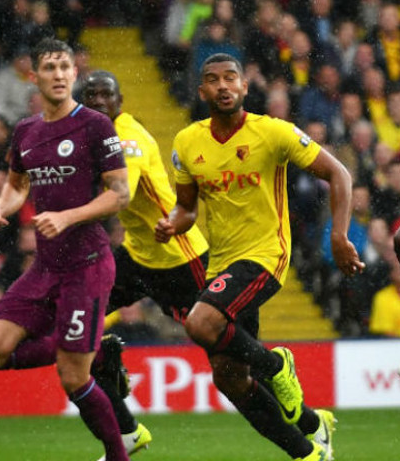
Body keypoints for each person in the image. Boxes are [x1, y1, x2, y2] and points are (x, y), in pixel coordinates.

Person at [154, 53, 364, 461]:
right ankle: (308, 442)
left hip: (267, 254)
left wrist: (337, 234)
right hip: (222, 264)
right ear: (202, 91)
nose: (223, 86)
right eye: (213, 80)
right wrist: (173, 223)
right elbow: (188, 208)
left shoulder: (273, 132)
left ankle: (276, 366)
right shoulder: (186, 142)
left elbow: (339, 173)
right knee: (230, 378)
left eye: (231, 78)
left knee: (200, 323)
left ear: (245, 86)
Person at [0, 38, 132, 461]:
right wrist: (1, 207)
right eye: (50, 68)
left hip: (88, 264)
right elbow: (17, 182)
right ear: (35, 76)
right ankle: (89, 348)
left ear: (74, 74)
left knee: (72, 377)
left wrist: (67, 216)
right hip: (45, 266)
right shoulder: (26, 130)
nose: (59, 75)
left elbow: (120, 194)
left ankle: (119, 455)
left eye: (65, 67)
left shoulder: (96, 125)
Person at [81, 70, 213, 459]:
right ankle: (126, 433)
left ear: (120, 101)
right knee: (78, 326)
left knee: (228, 351)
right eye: (91, 96)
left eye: (107, 94)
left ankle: (305, 420)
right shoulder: (92, 136)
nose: (100, 101)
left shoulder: (127, 137)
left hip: (179, 256)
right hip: (138, 256)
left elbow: (120, 194)